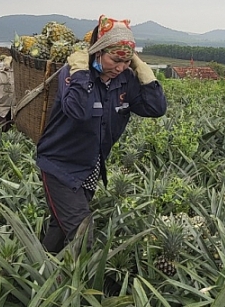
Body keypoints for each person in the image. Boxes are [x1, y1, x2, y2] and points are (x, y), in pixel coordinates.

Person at [35, 15, 168, 253]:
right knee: (81, 231)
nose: (120, 67)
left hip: (89, 168)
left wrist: (142, 71)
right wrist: (80, 72)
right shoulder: (74, 74)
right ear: (97, 51)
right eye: (114, 59)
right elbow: (77, 111)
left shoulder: (126, 79)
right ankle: (73, 285)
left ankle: (38, 272)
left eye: (126, 62)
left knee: (61, 227)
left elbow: (155, 108)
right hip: (60, 167)